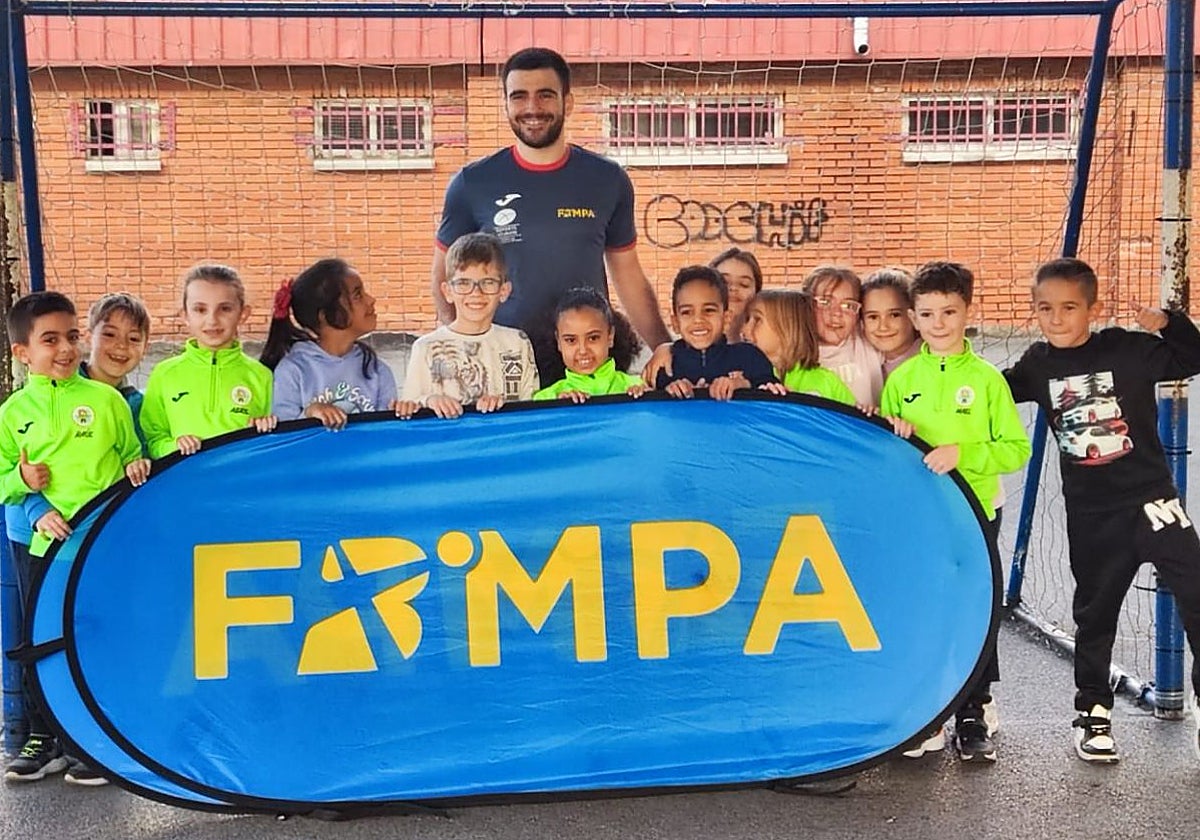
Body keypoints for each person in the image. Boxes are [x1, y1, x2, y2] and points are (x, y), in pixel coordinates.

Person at [1005, 257, 1200, 764]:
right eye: (1045, 308)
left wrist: (1169, 324)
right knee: (1095, 614)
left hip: (1153, 501)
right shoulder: (1037, 365)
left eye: (1069, 308)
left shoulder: (1127, 350)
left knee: (1196, 592)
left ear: (1092, 308)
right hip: (1093, 516)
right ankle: (1093, 713)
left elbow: (1191, 358)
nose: (1056, 318)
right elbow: (991, 397)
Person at [431, 47, 670, 380]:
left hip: (584, 365)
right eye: (519, 96)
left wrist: (664, 346)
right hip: (503, 369)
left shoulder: (608, 179)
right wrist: (461, 347)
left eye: (545, 95)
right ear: (505, 105)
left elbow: (628, 274)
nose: (532, 108)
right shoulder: (472, 183)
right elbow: (443, 277)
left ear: (567, 103)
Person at [880, 261, 1031, 763]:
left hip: (977, 510)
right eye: (927, 314)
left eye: (949, 311)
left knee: (976, 608)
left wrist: (962, 455)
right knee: (929, 607)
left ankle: (973, 713)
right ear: (913, 318)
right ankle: (931, 713)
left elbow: (1015, 449)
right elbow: (889, 451)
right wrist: (896, 434)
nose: (938, 322)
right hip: (924, 514)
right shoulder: (902, 378)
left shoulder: (987, 380)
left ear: (968, 311)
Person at [0, 292, 150, 783]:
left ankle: (92, 741)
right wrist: (26, 487)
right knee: (40, 638)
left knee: (93, 634)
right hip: (41, 547)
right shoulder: (13, 412)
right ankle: (44, 736)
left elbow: (131, 454)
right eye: (50, 340)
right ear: (22, 353)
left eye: (71, 336)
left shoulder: (107, 401)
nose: (65, 348)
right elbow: (4, 476)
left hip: (98, 544)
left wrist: (136, 465)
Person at [141, 264, 277, 458]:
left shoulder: (261, 376)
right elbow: (152, 440)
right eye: (200, 309)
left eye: (225, 309)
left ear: (243, 314)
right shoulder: (164, 374)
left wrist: (265, 431)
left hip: (241, 476)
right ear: (185, 315)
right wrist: (173, 447)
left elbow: (273, 445)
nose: (212, 320)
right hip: (186, 476)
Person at [261, 258, 413, 427]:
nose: (371, 300)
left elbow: (386, 431)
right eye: (357, 295)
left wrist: (404, 412)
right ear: (326, 315)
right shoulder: (293, 370)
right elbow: (285, 435)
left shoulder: (377, 370)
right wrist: (310, 414)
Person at [405, 233, 539, 417]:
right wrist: (429, 400)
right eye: (463, 283)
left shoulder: (518, 342)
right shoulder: (425, 347)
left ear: (504, 291)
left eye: (488, 282)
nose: (476, 293)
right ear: (447, 291)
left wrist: (502, 405)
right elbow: (408, 410)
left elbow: (531, 408)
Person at [655, 265, 777, 400]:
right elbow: (648, 404)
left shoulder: (750, 357)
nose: (698, 319)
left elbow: (774, 397)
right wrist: (668, 392)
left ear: (726, 319)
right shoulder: (665, 365)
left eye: (708, 310)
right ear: (675, 323)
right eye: (686, 312)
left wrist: (743, 386)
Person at [742, 289, 854, 405]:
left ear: (788, 327)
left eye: (757, 320)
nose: (744, 330)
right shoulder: (740, 376)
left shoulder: (828, 382)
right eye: (747, 320)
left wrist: (864, 410)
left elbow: (854, 415)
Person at [533, 287, 646, 402]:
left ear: (610, 336)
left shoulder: (639, 387)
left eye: (593, 338)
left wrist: (646, 402)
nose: (583, 350)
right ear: (559, 342)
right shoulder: (545, 400)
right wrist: (560, 408)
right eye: (571, 340)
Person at [803, 265, 884, 407]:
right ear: (806, 305)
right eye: (825, 302)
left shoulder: (868, 342)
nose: (837, 313)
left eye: (848, 305)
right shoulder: (794, 352)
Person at [861, 267, 920, 380]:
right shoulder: (863, 364)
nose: (883, 327)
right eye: (873, 317)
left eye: (894, 315)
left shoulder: (935, 360)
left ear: (913, 315)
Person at [711, 247, 763, 343]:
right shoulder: (684, 347)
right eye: (724, 282)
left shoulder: (764, 346)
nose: (733, 288)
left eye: (744, 284)